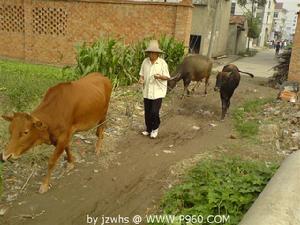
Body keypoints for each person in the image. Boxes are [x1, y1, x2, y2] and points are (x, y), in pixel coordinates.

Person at [138, 40, 170, 139]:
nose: (151, 54)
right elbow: (141, 75)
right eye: (150, 52)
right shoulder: (145, 62)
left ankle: (155, 128)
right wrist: (141, 80)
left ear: (157, 53)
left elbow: (167, 77)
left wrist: (160, 76)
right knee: (147, 112)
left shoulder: (162, 63)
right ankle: (148, 129)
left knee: (154, 112)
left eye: (153, 52)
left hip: (158, 92)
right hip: (147, 91)